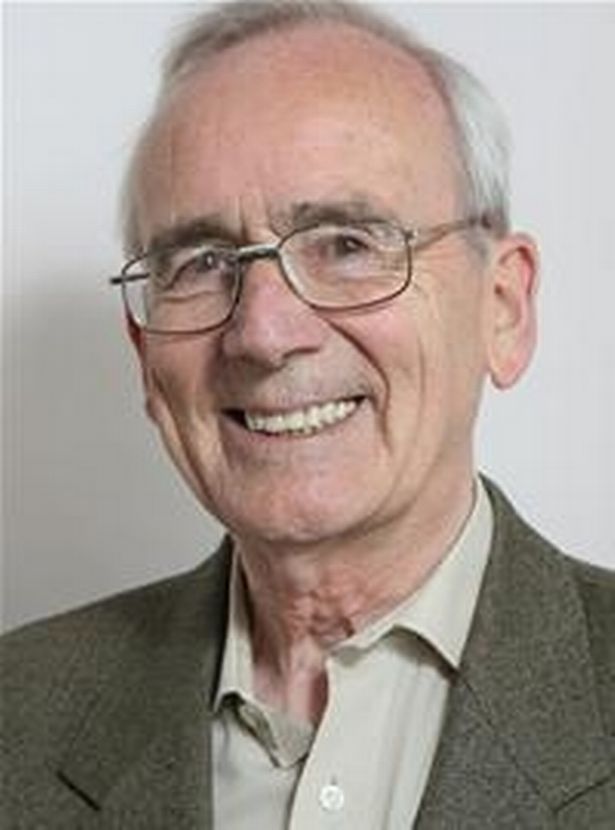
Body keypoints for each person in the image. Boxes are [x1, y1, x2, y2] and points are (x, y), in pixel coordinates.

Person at [2, 1, 614, 827]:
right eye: (202, 262)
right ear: (145, 355)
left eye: (346, 244)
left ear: (501, 309)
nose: (263, 333)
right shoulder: (17, 714)